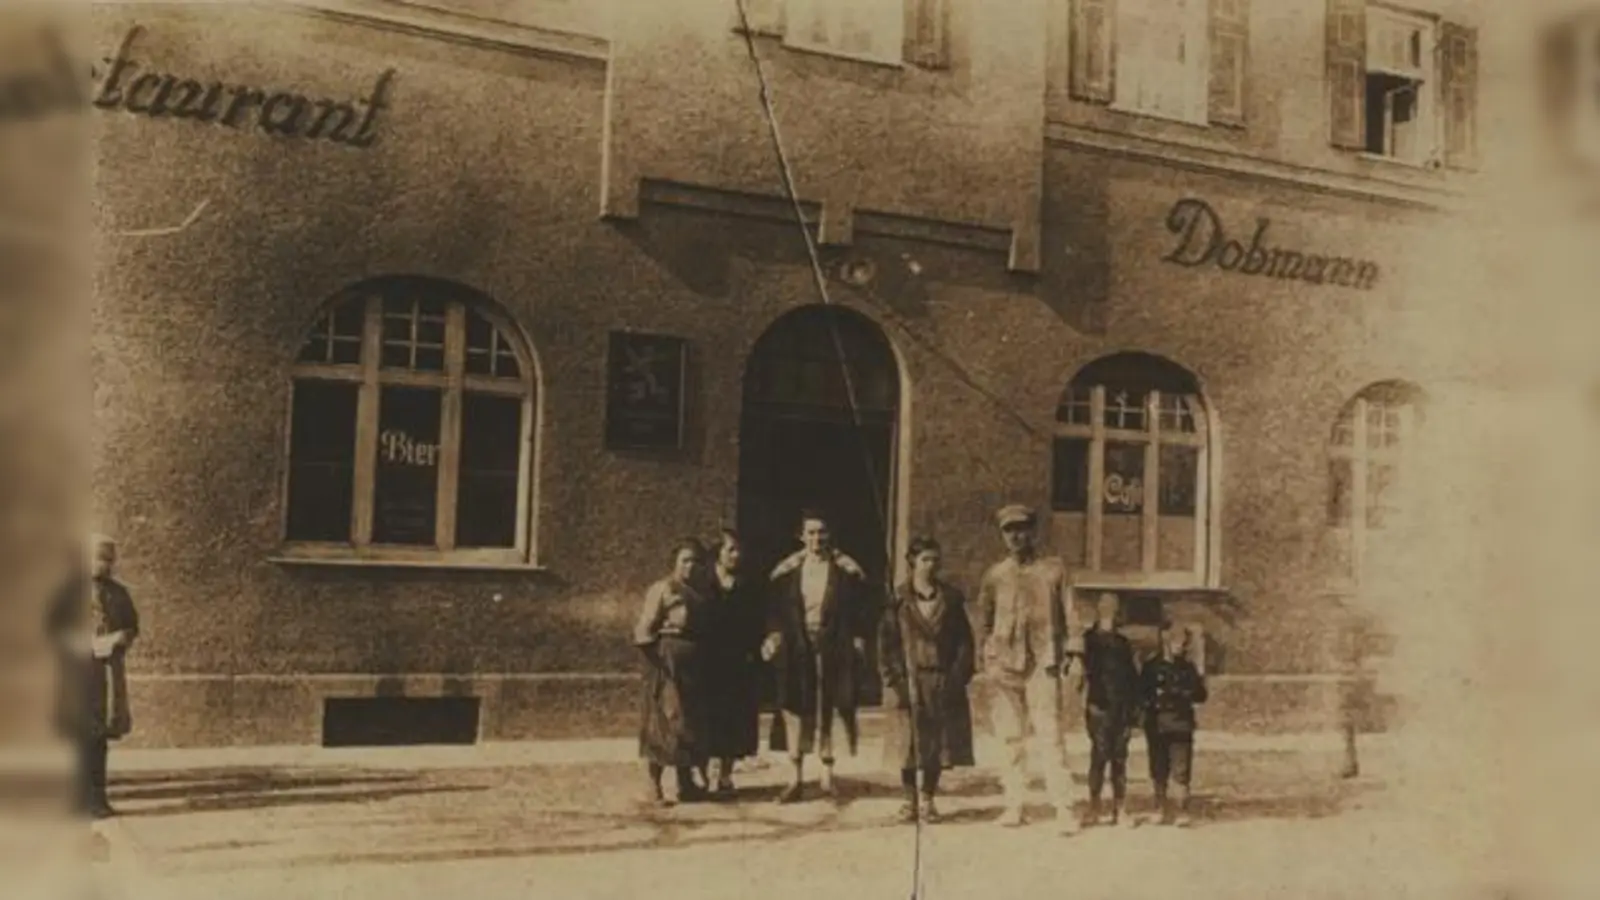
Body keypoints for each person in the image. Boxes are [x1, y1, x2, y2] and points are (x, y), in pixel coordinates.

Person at [977, 504, 1084, 834]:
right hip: (1005, 665)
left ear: (1033, 532)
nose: (1016, 536)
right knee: (1010, 737)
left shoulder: (1053, 571)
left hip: (1043, 661)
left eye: (1022, 529)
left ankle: (1064, 808)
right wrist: (988, 657)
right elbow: (984, 621)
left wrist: (1075, 654)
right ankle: (1014, 805)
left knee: (1050, 735)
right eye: (1009, 530)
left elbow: (1071, 613)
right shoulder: (995, 576)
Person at [761, 509, 870, 803]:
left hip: (832, 645)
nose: (816, 539)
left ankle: (827, 777)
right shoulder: (787, 573)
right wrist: (774, 635)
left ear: (830, 535)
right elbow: (775, 611)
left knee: (828, 706)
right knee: (795, 708)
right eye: (810, 532)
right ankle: (794, 778)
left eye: (822, 532)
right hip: (797, 647)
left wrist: (857, 639)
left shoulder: (844, 573)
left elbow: (858, 610)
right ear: (801, 536)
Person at [879, 536, 976, 825]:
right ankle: (909, 801)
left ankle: (929, 799)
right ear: (912, 563)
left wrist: (957, 677)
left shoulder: (951, 599)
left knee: (936, 743)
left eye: (935, 559)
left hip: (941, 679)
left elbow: (964, 642)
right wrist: (894, 680)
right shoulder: (897, 600)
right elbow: (886, 644)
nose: (930, 565)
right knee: (908, 743)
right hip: (909, 679)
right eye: (924, 560)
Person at [47, 533, 140, 820]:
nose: (102, 565)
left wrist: (121, 638)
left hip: (106, 675)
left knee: (99, 738)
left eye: (108, 560)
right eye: (97, 558)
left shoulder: (119, 594)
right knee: (77, 737)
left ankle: (98, 799)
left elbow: (132, 626)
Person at [633, 537, 711, 806]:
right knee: (663, 723)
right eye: (685, 561)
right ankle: (653, 786)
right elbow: (644, 630)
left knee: (688, 723)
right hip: (667, 666)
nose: (690, 566)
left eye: (696, 561)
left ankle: (685, 784)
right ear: (674, 563)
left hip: (694, 667)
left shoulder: (700, 592)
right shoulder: (662, 589)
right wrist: (657, 665)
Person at [699, 529, 766, 796]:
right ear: (718, 553)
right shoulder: (702, 583)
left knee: (734, 719)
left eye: (739, 550)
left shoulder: (748, 585)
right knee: (707, 718)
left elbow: (757, 621)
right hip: (707, 663)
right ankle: (705, 775)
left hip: (738, 663)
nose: (737, 555)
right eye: (731, 550)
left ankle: (726, 775)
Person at [1141, 620, 1209, 827]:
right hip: (1157, 724)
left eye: (1184, 641)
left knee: (1181, 770)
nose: (1182, 645)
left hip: (1181, 724)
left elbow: (1200, 696)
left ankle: (1181, 810)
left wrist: (1198, 679)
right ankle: (1159, 807)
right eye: (1178, 640)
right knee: (1158, 768)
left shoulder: (1187, 668)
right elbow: (1142, 694)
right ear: (1166, 641)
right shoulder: (1151, 667)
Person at [1082, 591, 1140, 828]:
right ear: (1099, 610)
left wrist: (1133, 714)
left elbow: (1132, 679)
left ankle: (1120, 807)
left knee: (1119, 759)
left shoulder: (1123, 644)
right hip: (1099, 707)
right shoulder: (1088, 641)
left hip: (1121, 708)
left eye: (1115, 609)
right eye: (1107, 608)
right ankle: (1094, 807)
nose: (1112, 613)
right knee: (1098, 757)